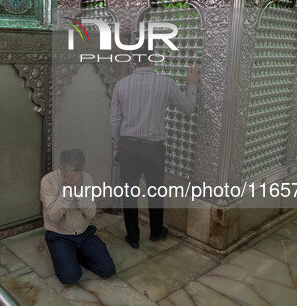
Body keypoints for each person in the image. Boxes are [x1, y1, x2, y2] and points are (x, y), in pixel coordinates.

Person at [110, 44, 200, 248]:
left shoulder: (121, 85)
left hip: (128, 146)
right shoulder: (165, 83)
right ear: (153, 59)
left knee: (129, 193)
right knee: (155, 191)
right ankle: (156, 232)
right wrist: (192, 85)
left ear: (133, 59)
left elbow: (115, 120)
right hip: (154, 149)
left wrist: (117, 146)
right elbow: (187, 108)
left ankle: (133, 237)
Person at [40, 149, 116, 284]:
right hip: (59, 236)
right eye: (72, 171)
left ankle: (76, 255)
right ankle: (66, 254)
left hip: (85, 234)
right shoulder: (48, 181)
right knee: (70, 277)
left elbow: (91, 213)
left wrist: (79, 191)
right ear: (61, 168)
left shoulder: (86, 178)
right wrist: (68, 190)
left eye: (78, 171)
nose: (76, 175)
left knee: (108, 270)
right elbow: (53, 217)